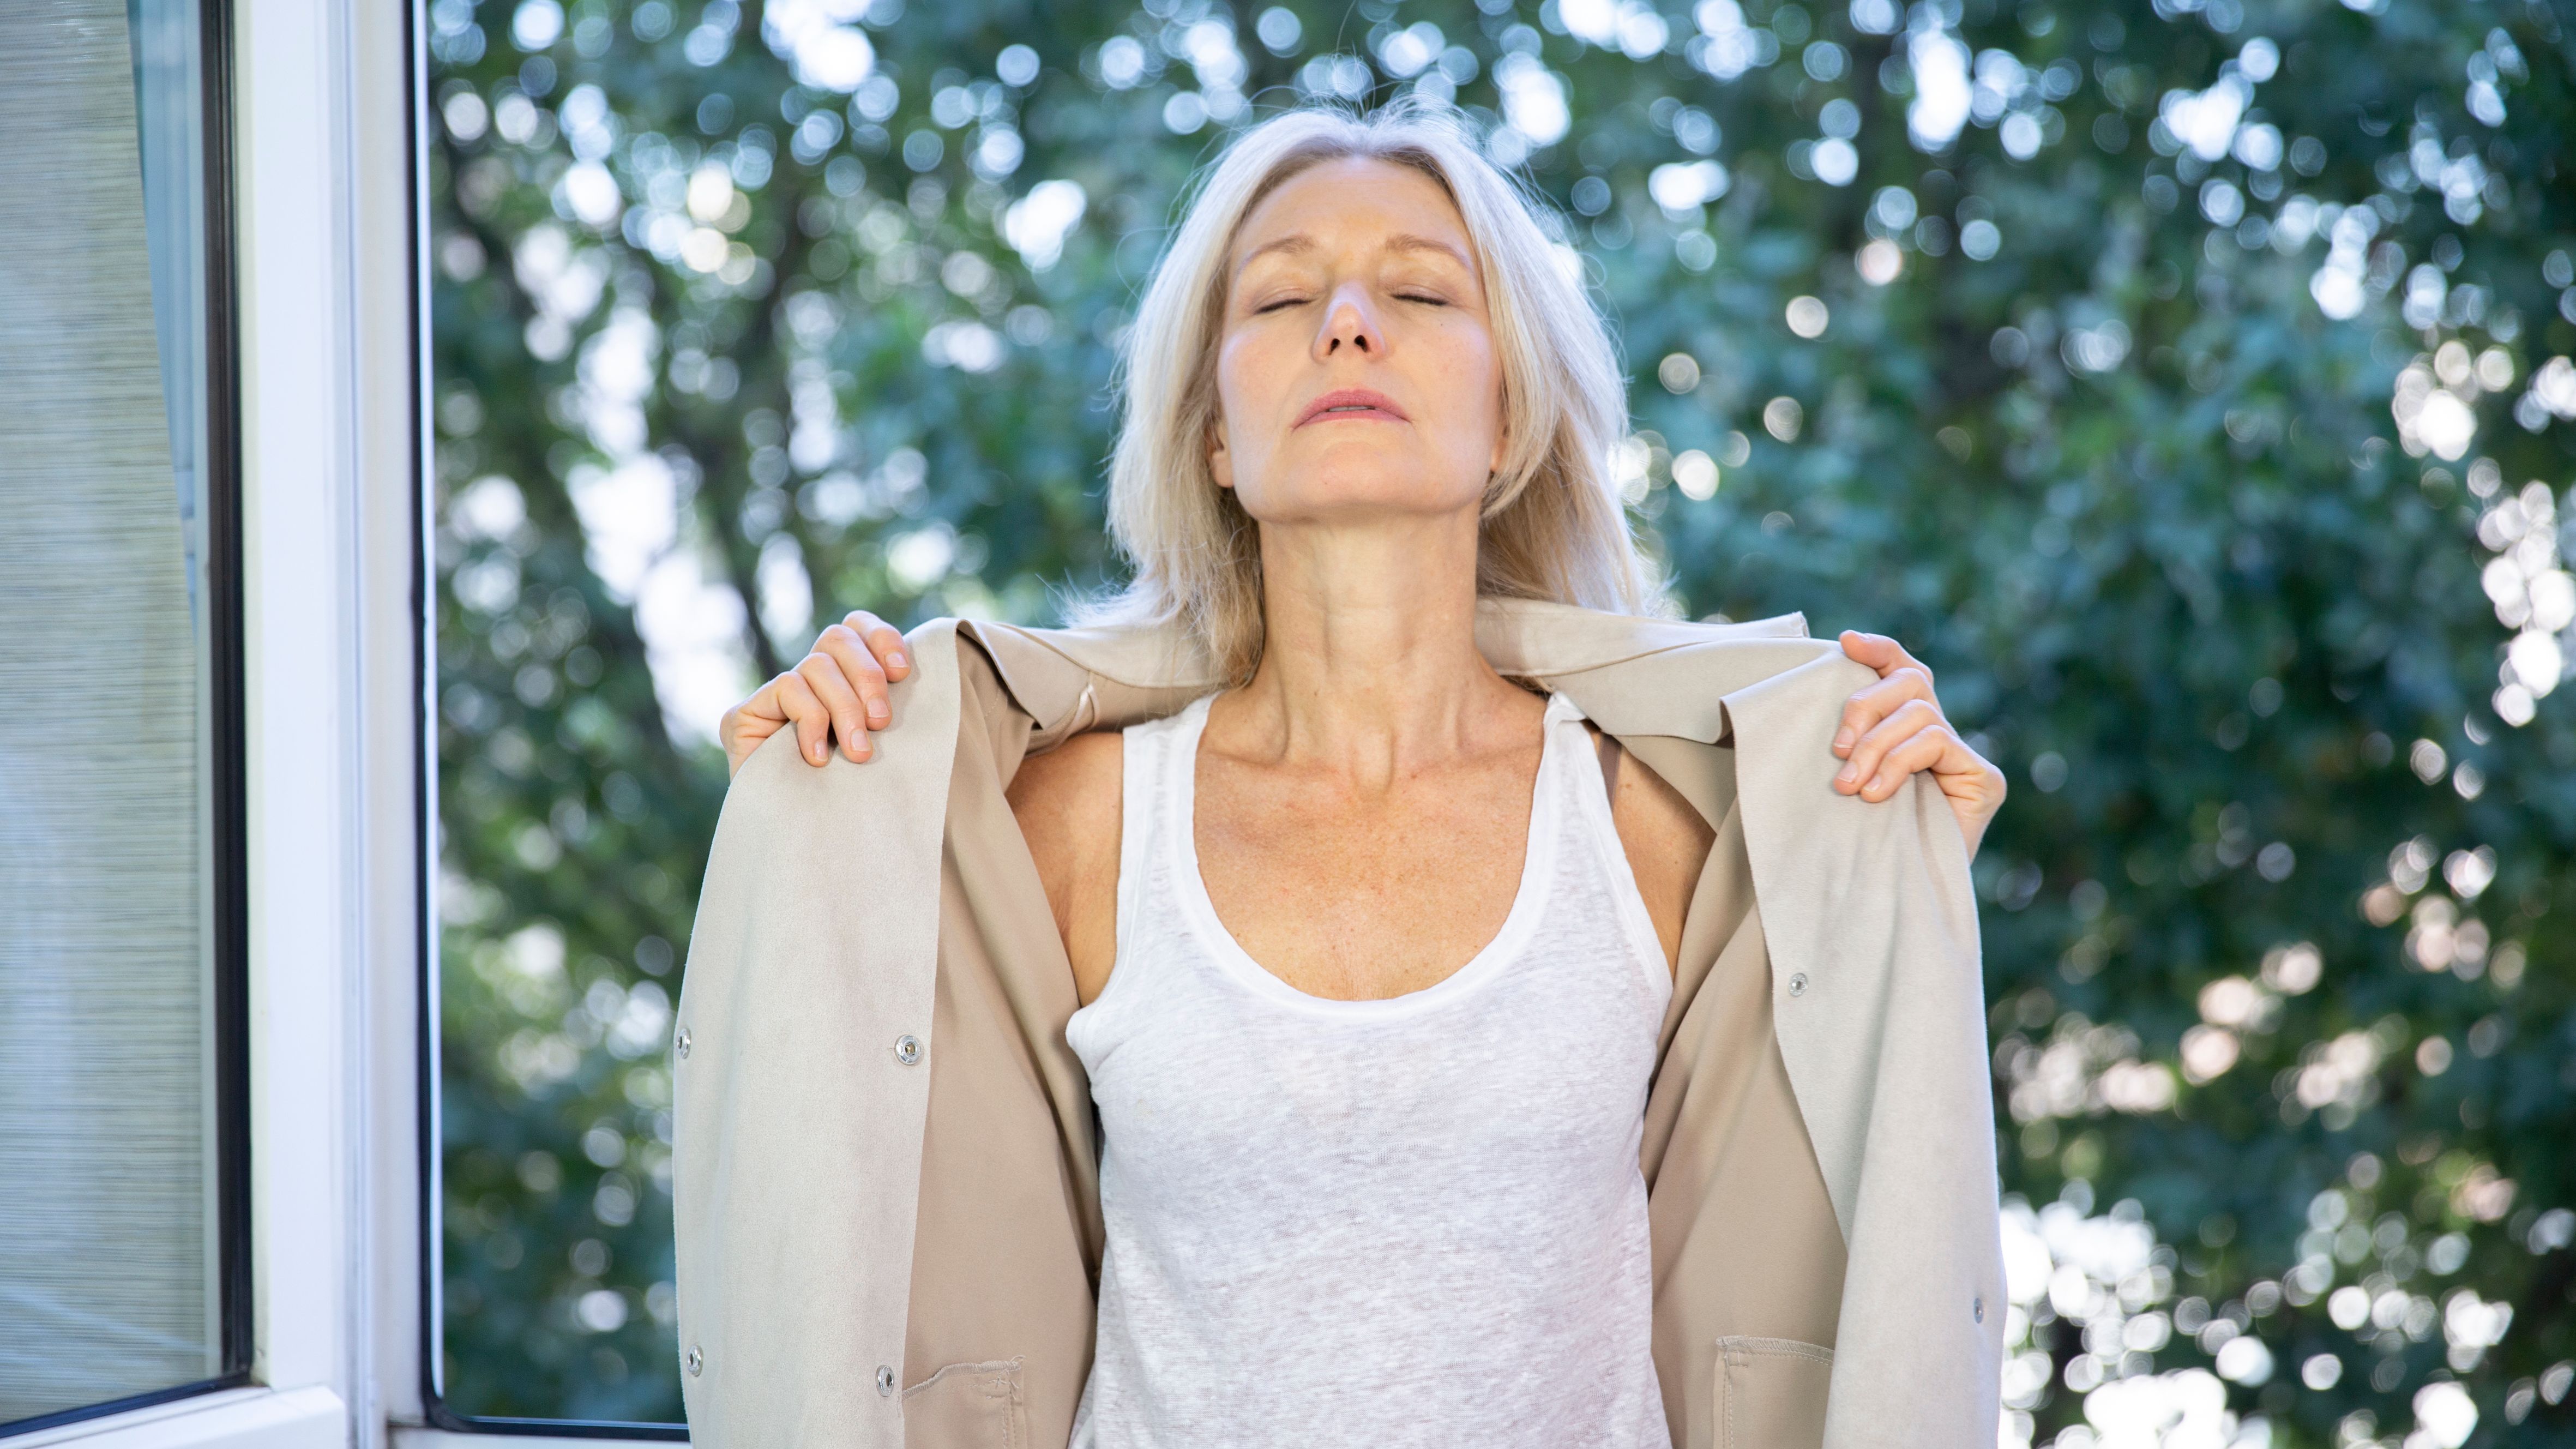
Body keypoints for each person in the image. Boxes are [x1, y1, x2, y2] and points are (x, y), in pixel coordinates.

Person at [673, 102, 2007, 1449]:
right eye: (1283, 295)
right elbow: (842, 1182)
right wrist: (814, 808)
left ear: (1509, 421)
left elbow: (1860, 1209)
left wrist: (1895, 864)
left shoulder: (1662, 823)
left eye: (1421, 288)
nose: (1350, 323)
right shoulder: (1068, 819)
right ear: (1212, 435)